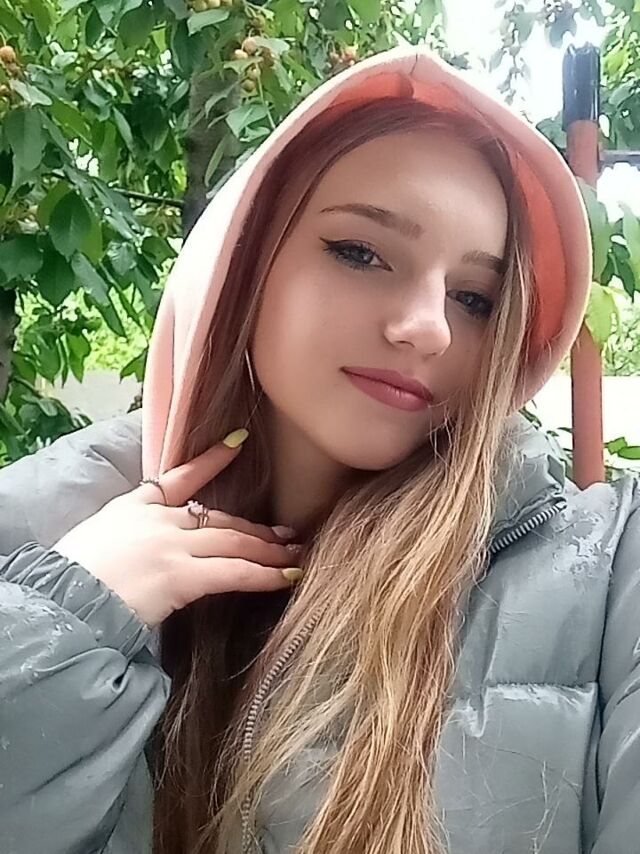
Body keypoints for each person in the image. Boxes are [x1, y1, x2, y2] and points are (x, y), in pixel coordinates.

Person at [0, 44, 637, 854]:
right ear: (242, 263)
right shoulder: (32, 536)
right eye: (361, 253)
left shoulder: (609, 577)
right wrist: (62, 622)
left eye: (474, 298)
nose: (429, 328)